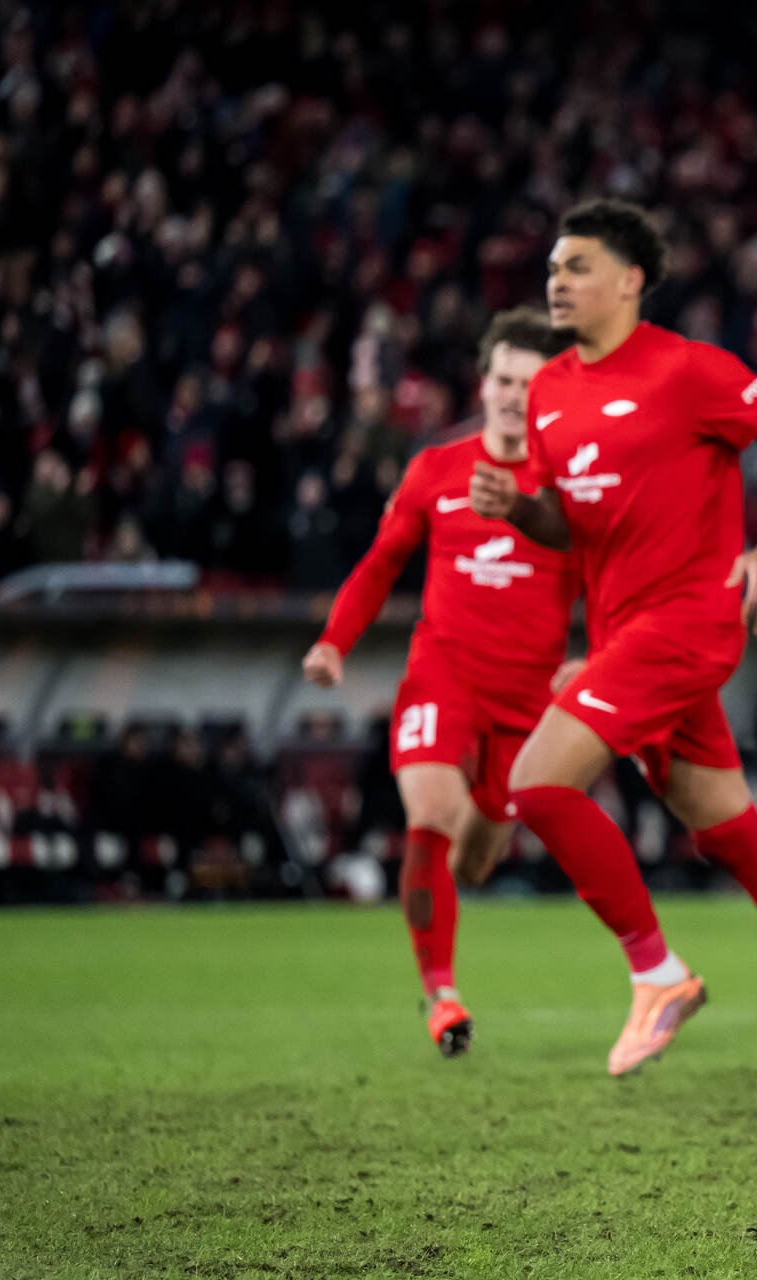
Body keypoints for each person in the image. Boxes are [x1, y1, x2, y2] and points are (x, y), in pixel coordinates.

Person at [470, 198, 757, 1104]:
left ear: (629, 281)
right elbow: (568, 524)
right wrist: (521, 510)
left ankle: (656, 973)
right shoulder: (549, 392)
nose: (557, 281)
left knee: (538, 785)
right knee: (730, 833)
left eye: (576, 266)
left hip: (689, 623)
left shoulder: (685, 370)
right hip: (625, 631)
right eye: (552, 267)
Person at [302, 308, 582, 1057]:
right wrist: (334, 642)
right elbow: (380, 562)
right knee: (431, 810)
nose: (514, 395)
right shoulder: (436, 469)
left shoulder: (568, 487)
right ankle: (442, 994)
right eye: (503, 379)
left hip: (528, 696)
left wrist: (604, 655)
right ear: (483, 383)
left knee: (479, 854)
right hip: (444, 674)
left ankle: (449, 901)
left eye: (530, 383)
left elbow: (615, 577)